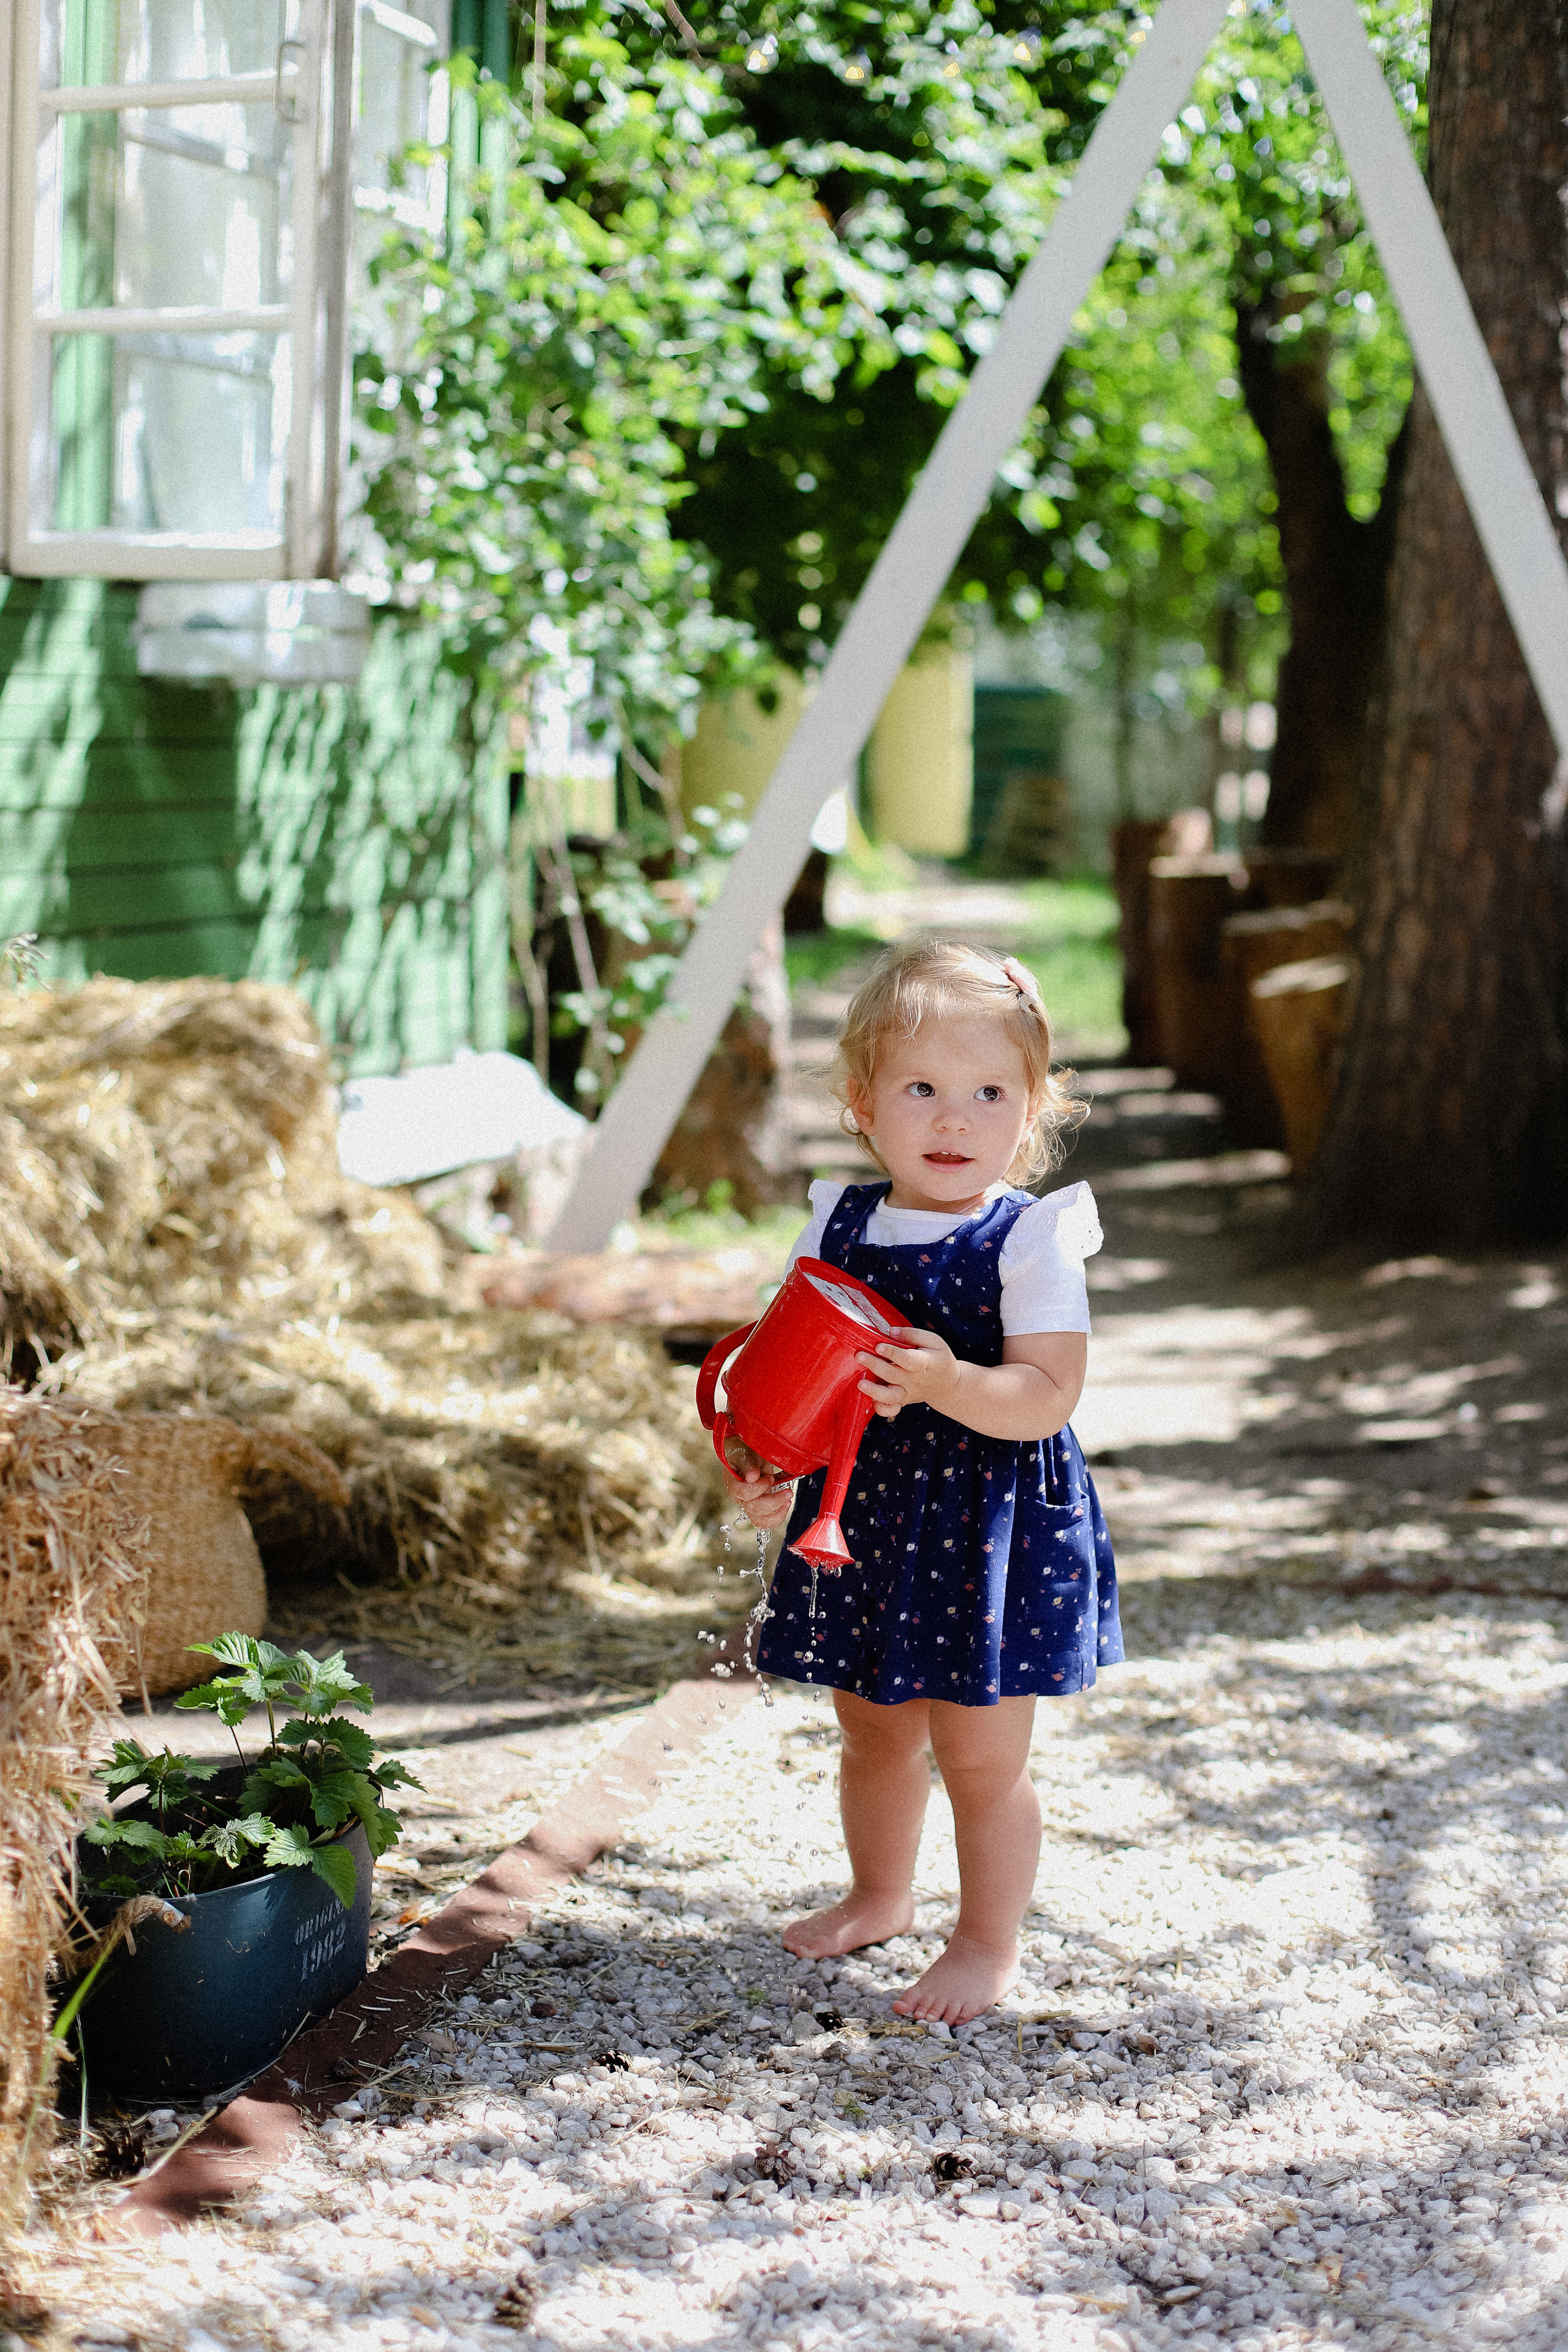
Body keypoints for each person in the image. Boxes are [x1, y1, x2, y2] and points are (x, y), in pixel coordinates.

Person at [722, 938, 1121, 2024]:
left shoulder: (1029, 1237)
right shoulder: (839, 1222)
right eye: (922, 1090)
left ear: (1030, 1111)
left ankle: (987, 1942)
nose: (955, 1121)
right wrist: (766, 1464)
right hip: (864, 1513)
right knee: (873, 1728)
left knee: (980, 1755)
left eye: (990, 1093)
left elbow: (1048, 1395)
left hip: (988, 1524)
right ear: (862, 1102)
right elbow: (788, 1368)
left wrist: (952, 1383)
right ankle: (879, 1894)